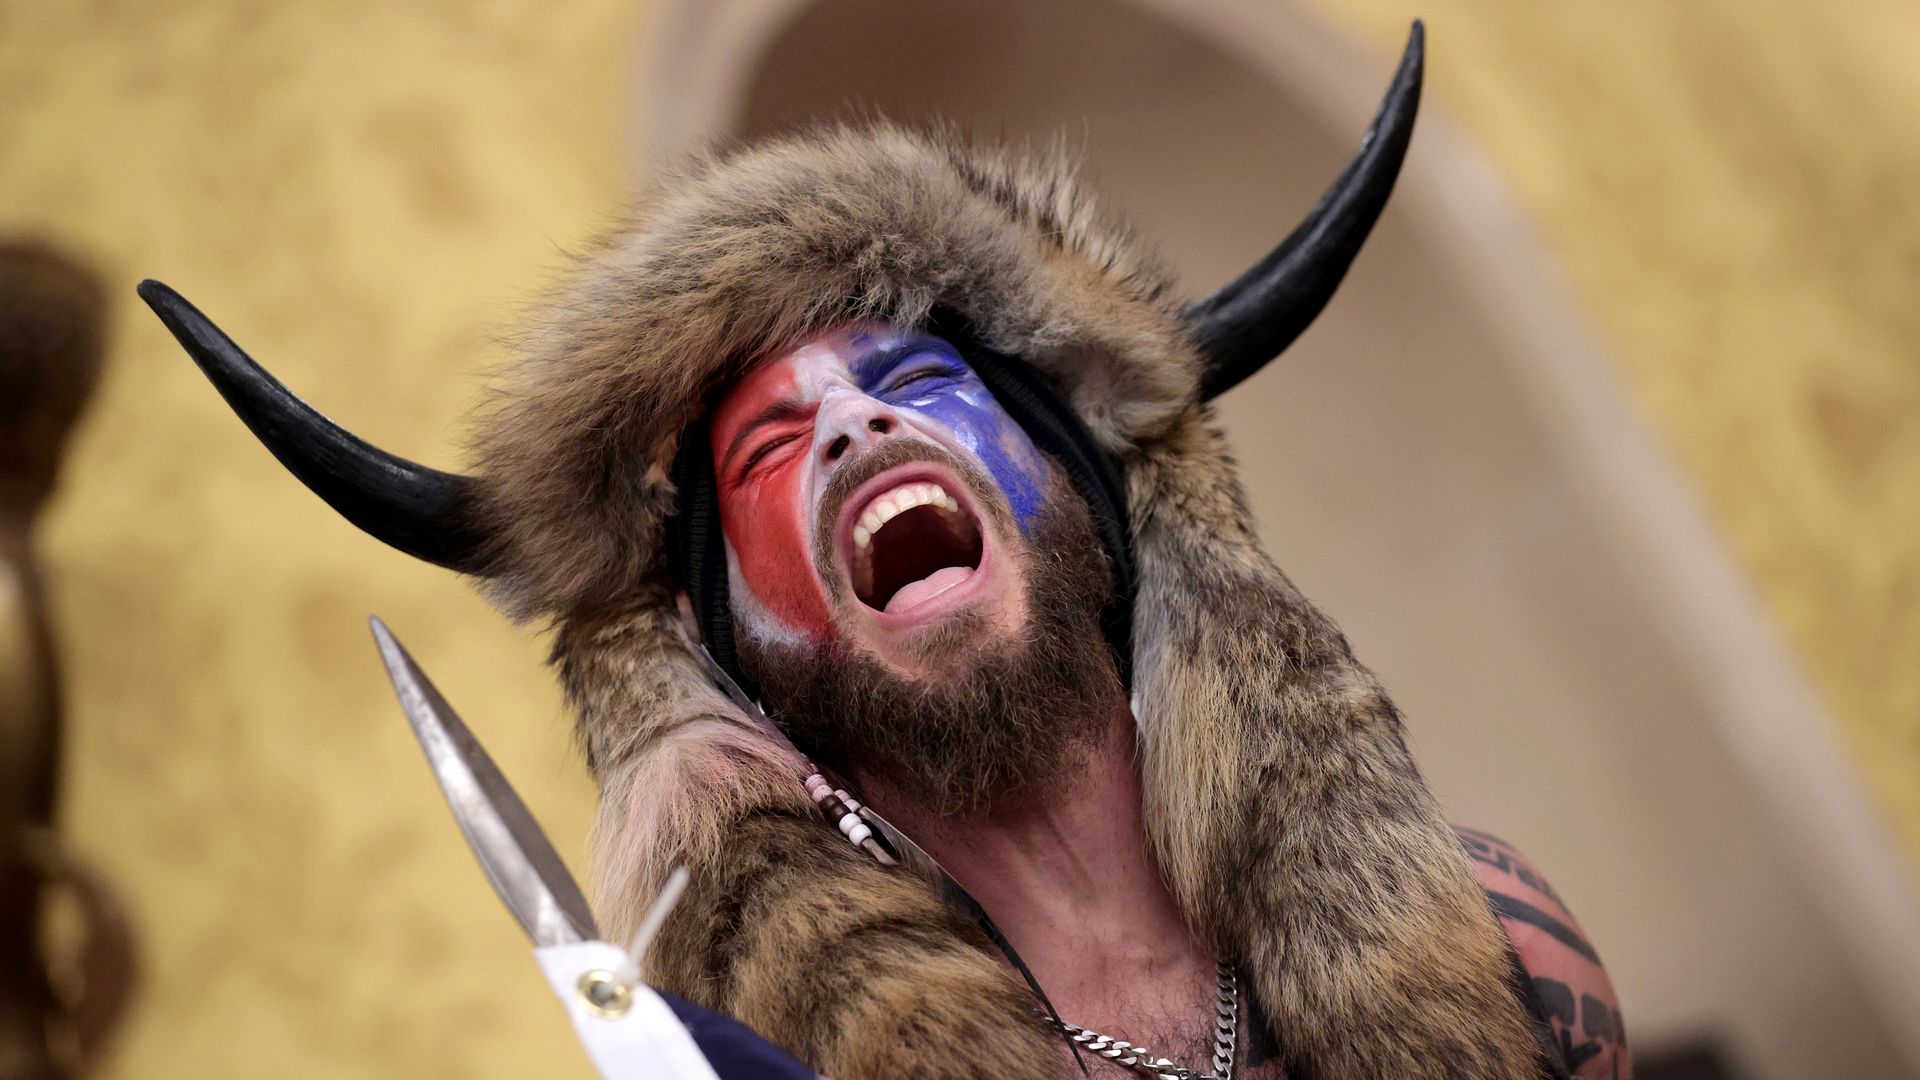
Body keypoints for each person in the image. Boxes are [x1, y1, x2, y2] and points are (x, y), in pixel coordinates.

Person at [144, 25, 1626, 1080]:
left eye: (915, 387)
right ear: (738, 664)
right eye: (771, 451)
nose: (854, 427)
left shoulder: (1506, 946)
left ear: (1082, 493)